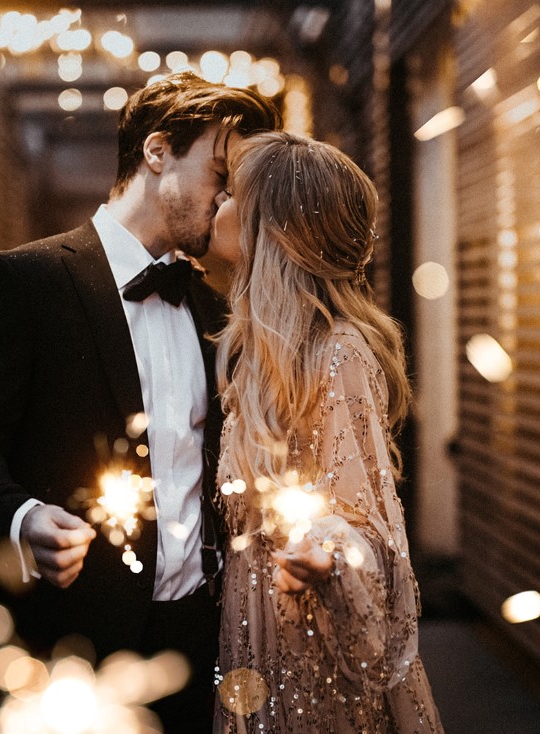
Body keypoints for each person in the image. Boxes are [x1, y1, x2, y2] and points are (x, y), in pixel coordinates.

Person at [0, 73, 280, 732]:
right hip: (62, 647)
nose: (229, 199)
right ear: (157, 153)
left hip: (194, 643)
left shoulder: (213, 307)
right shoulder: (21, 282)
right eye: (219, 174)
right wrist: (21, 517)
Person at [208, 132, 445, 733]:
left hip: (311, 652)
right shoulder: (261, 354)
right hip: (257, 641)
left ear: (274, 227)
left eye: (232, 193)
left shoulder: (337, 354)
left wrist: (330, 555)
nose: (218, 203)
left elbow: (375, 533)